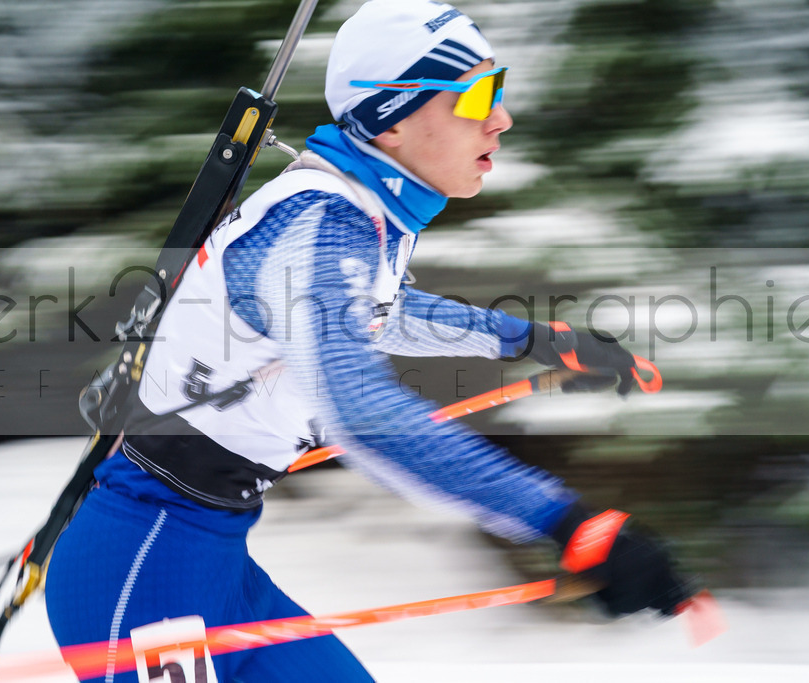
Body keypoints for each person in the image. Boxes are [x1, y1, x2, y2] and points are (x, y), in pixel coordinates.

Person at [44, 1, 692, 681]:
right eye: (478, 95)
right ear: (392, 117)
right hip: (143, 574)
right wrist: (565, 521)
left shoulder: (353, 216)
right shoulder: (320, 227)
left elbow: (384, 308)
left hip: (212, 560)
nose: (501, 118)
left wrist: (534, 339)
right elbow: (362, 413)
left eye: (499, 90)